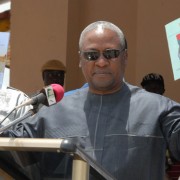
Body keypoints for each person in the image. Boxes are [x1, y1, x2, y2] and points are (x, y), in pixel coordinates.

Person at [1, 21, 180, 180]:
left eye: (110, 53)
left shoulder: (159, 109)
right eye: (91, 55)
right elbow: (9, 150)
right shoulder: (50, 113)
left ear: (125, 57)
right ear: (80, 59)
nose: (101, 62)